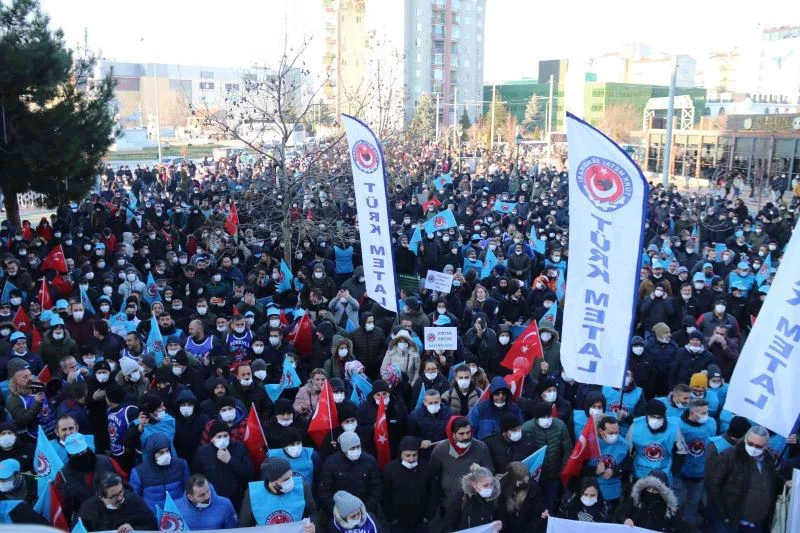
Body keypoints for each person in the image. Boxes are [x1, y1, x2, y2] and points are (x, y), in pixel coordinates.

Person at [706, 425, 786, 532]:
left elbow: (773, 478)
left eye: (758, 446)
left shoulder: (768, 458)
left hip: (757, 523)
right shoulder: (730, 455)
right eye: (751, 443)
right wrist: (723, 514)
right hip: (730, 522)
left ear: (766, 446)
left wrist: (785, 483)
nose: (753, 448)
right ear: (745, 440)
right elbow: (713, 484)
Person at [430, 416, 494, 506]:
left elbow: (489, 472)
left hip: (474, 502)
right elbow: (433, 476)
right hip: (448, 503)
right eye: (461, 433)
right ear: (453, 434)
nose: (466, 437)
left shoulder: (481, 447)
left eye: (468, 432)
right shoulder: (440, 449)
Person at [521, 401, 572, 513]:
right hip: (534, 478)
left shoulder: (560, 425)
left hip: (553, 475)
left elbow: (567, 450)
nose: (547, 419)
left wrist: (562, 471)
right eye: (543, 417)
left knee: (550, 506)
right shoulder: (526, 428)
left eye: (549, 416)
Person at [318, 431, 382, 519]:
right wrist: (338, 511)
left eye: (358, 447)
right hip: (339, 515)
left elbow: (376, 488)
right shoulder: (331, 463)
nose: (356, 450)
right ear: (344, 449)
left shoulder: (370, 461)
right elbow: (325, 492)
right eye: (352, 448)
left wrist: (364, 510)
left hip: (366, 513)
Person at [239, 458, 316, 530]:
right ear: (274, 482)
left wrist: (312, 525)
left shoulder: (302, 486)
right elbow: (245, 525)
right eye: (286, 479)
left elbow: (313, 512)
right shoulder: (253, 493)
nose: (292, 481)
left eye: (291, 476)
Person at [381, 436, 438, 532]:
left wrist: (428, 516)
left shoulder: (426, 468)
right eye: (407, 455)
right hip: (399, 522)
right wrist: (391, 518)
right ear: (401, 454)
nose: (411, 459)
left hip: (421, 521)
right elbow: (385, 496)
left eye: (414, 455)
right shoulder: (390, 470)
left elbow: (433, 493)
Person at [192, 420, 254, 506]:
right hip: (213, 497)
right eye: (219, 436)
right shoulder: (202, 452)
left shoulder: (239, 448)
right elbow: (196, 475)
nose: (222, 439)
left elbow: (249, 471)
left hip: (236, 496)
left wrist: (230, 460)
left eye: (225, 436)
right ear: (212, 438)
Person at [627, 400, 687, 484]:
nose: (655, 420)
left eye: (659, 417)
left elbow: (682, 452)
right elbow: (627, 451)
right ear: (647, 415)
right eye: (652, 416)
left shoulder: (674, 428)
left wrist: (674, 471)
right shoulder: (635, 426)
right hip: (640, 474)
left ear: (664, 416)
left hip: (663, 474)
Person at [129, 432, 190, 513]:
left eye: (167, 451)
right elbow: (135, 498)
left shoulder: (180, 465)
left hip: (177, 514)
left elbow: (187, 489)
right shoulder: (139, 472)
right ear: (152, 453)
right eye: (161, 452)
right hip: (153, 516)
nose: (166, 455)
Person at [77, 471, 157, 532]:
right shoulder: (88, 508)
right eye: (113, 496)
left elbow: (152, 526)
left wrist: (134, 529)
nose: (119, 498)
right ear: (101, 497)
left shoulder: (134, 501)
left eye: (121, 492)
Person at [615, 470, 693, 532]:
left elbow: (683, 527)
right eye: (649, 488)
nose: (651, 492)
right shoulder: (635, 500)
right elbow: (621, 514)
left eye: (655, 490)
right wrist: (625, 520)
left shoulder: (669, 509)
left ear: (662, 493)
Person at [443, 463, 503, 532]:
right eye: (485, 485)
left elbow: (497, 521)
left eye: (491, 484)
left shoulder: (493, 498)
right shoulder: (461, 498)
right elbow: (448, 526)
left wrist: (498, 526)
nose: (490, 488)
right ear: (474, 484)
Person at [173, 474, 239, 530]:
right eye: (202, 495)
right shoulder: (175, 508)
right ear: (190, 497)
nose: (207, 497)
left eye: (208, 491)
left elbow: (233, 530)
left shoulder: (225, 504)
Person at [496, 461, 548, 533]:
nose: (526, 483)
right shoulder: (502, 488)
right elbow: (501, 515)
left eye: (527, 480)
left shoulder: (534, 489)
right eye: (523, 481)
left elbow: (537, 515)